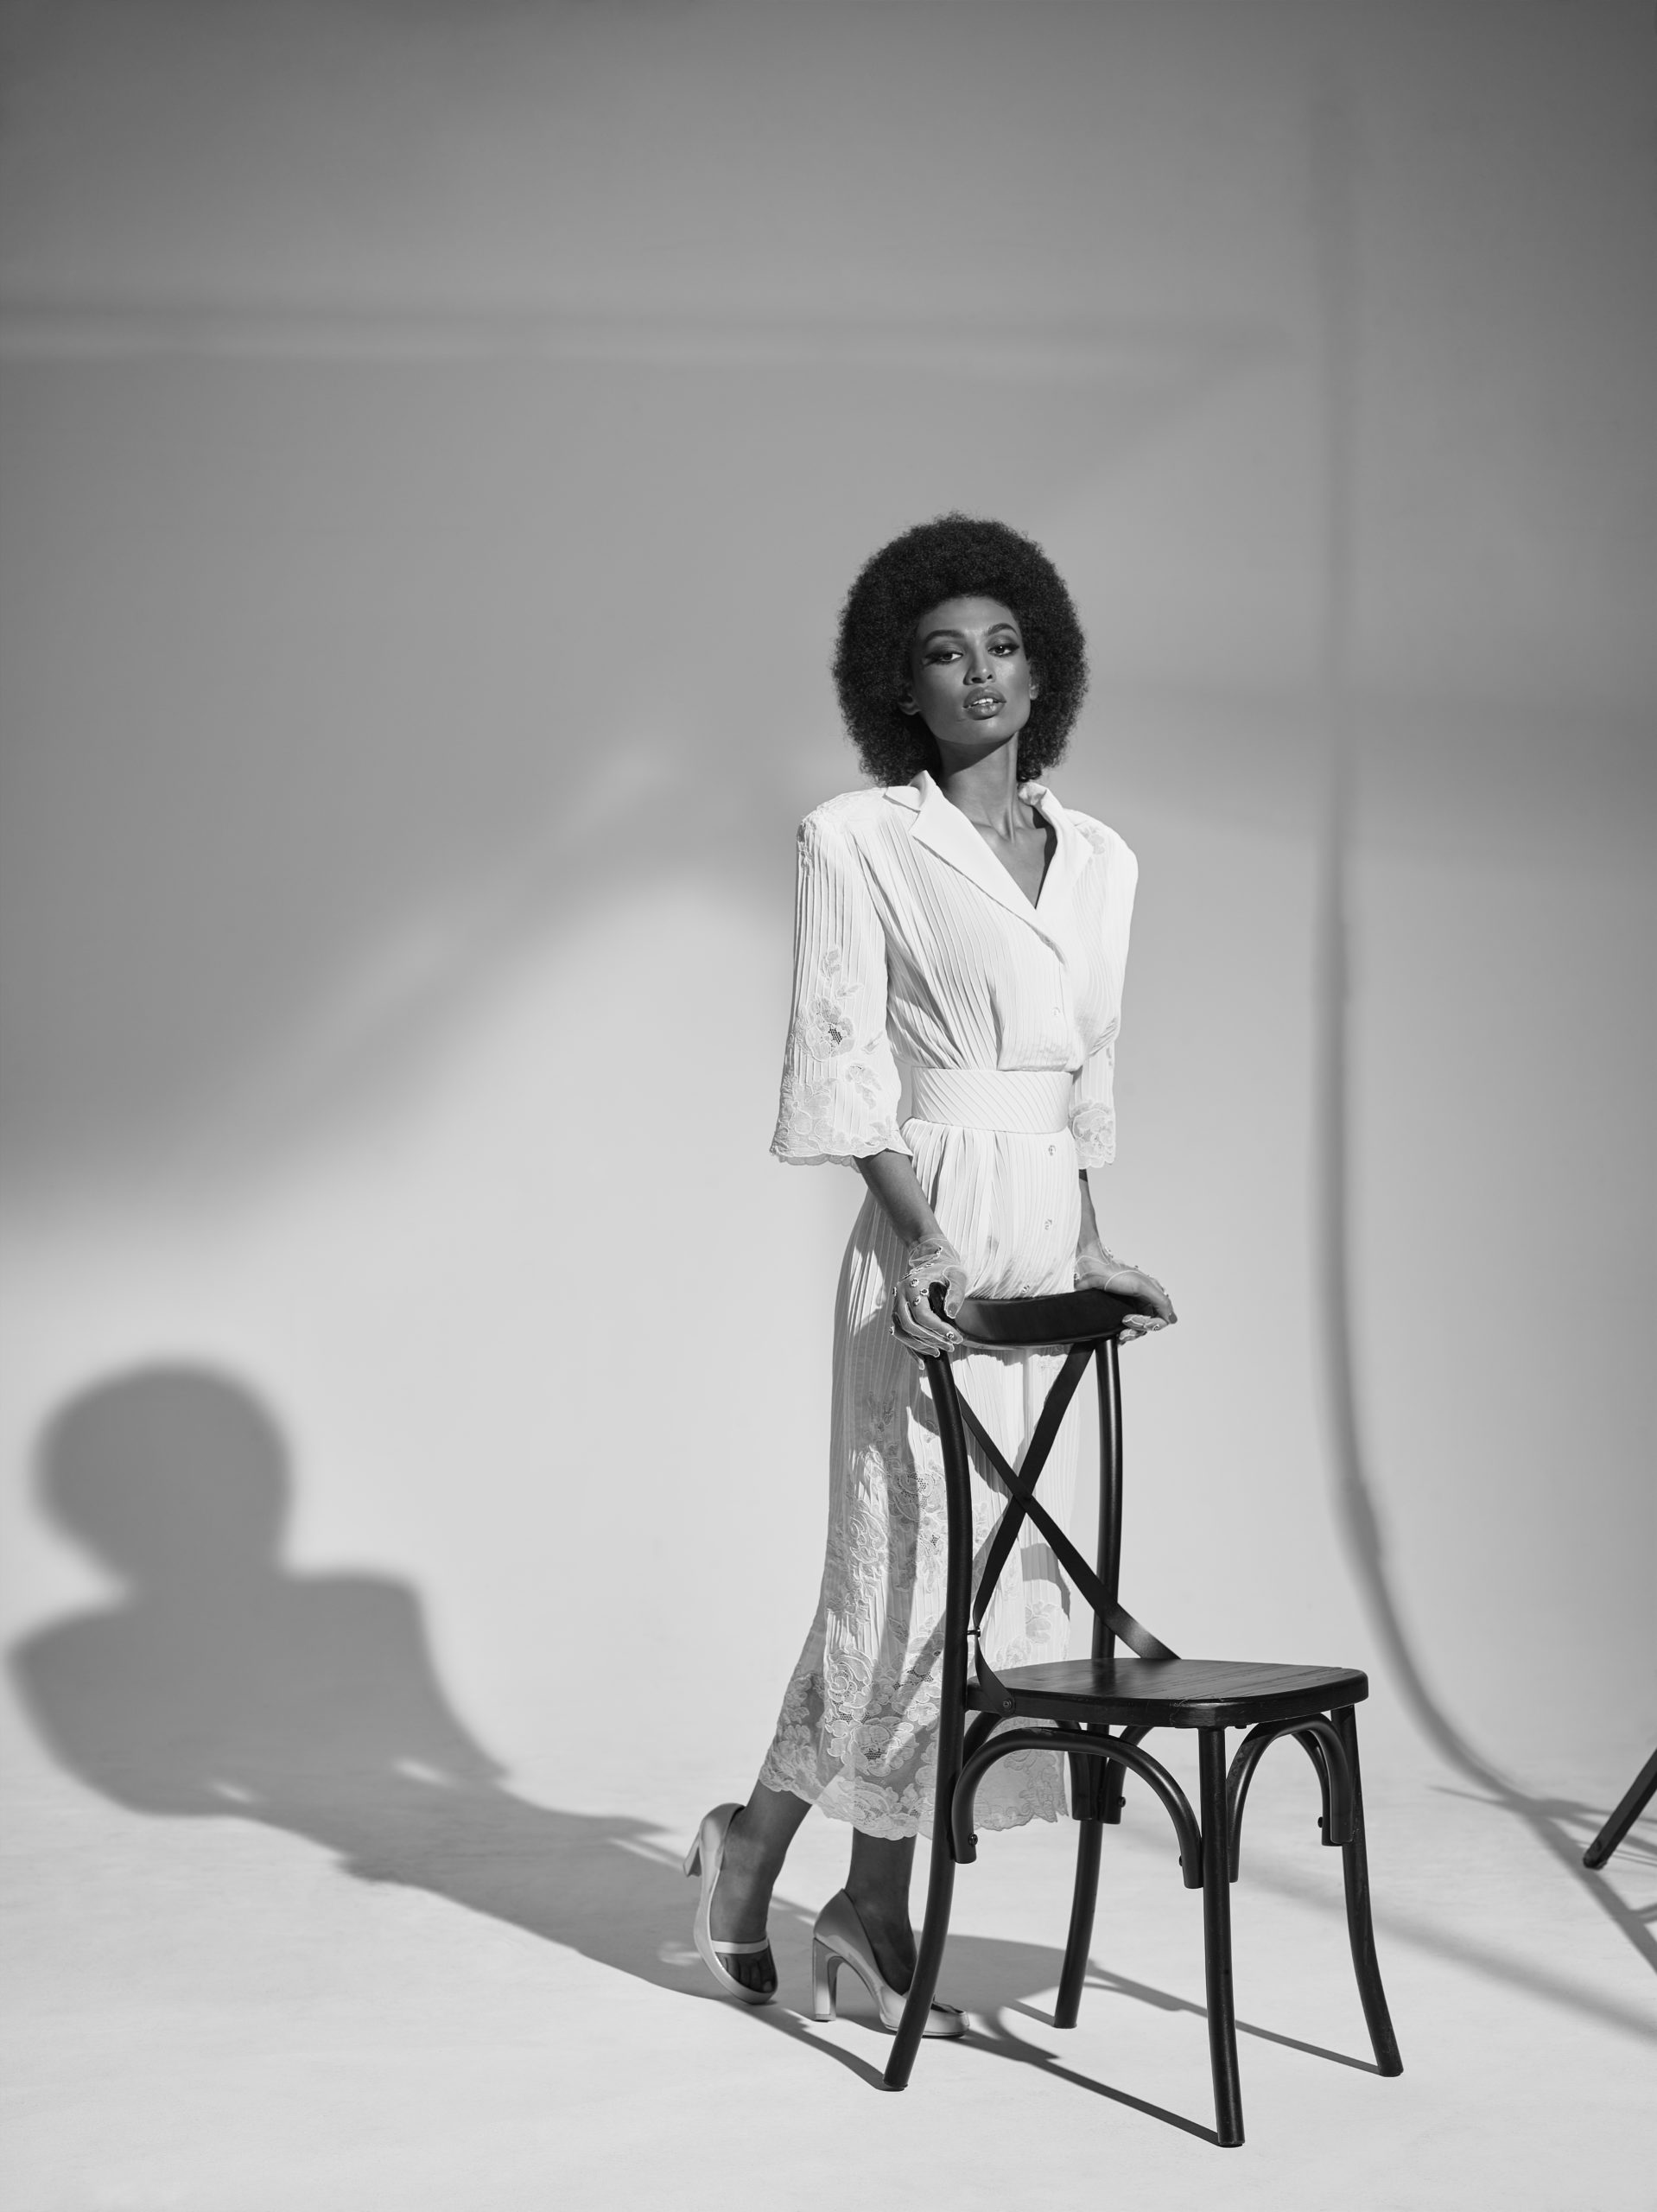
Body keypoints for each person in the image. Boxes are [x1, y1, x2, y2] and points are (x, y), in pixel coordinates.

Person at [685, 514, 1175, 2031]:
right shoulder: (857, 838)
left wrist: (1090, 1241)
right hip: (934, 1222)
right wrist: (923, 1241)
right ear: (899, 688)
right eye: (944, 654)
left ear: (1044, 670)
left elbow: (1081, 1072)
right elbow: (841, 1059)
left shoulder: (1101, 860)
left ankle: (859, 1902)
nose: (980, 673)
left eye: (1004, 646)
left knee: (992, 1589)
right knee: (903, 1580)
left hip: (1041, 1226)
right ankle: (763, 1855)